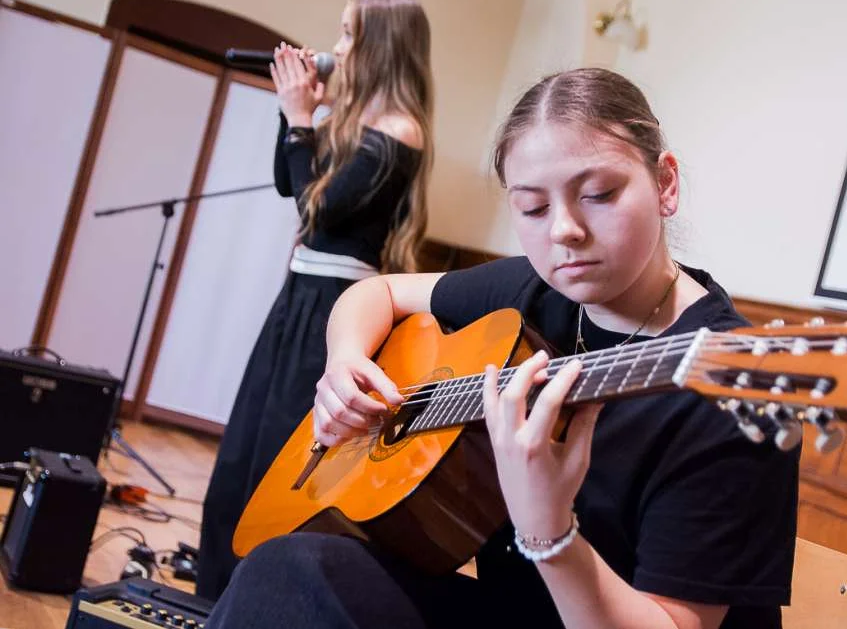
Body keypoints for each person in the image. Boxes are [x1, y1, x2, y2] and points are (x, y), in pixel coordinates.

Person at [207, 68, 799, 628]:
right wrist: (345, 362)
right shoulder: (529, 294)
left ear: (665, 184)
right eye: (533, 207)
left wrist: (549, 528)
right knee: (289, 570)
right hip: (508, 613)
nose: (564, 230)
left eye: (598, 194)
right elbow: (376, 292)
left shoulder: (734, 389)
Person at [196, 0, 434, 601]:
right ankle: (213, 592)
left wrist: (304, 119)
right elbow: (288, 183)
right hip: (297, 294)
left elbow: (317, 208)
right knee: (243, 448)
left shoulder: (399, 131)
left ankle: (257, 594)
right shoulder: (351, 117)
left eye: (349, 34)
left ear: (381, 46)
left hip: (336, 305)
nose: (336, 48)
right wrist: (293, 113)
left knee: (282, 456)